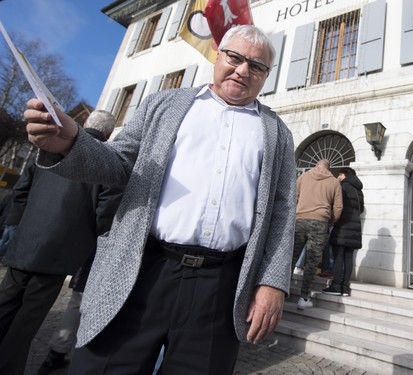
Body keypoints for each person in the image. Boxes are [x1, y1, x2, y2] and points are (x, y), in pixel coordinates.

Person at [23, 25, 296, 374]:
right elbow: (118, 162)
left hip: (221, 286)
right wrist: (70, 142)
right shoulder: (163, 104)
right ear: (218, 55)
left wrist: (272, 282)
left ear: (265, 76)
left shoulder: (276, 132)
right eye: (235, 58)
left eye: (256, 66)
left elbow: (282, 211)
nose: (243, 70)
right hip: (142, 270)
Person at [0, 110, 123, 374]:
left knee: (6, 301)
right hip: (63, 250)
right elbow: (106, 211)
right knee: (28, 317)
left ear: (84, 124)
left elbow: (21, 190)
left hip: (27, 241)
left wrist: (20, 226)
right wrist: (91, 238)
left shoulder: (53, 146)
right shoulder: (107, 159)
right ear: (110, 133)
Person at [292, 159, 342, 309]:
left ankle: (280, 293)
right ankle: (304, 298)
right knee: (312, 262)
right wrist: (331, 220)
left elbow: (294, 197)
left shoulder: (303, 177)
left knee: (291, 258)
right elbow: (338, 207)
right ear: (329, 168)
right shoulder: (334, 182)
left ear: (316, 165)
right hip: (320, 222)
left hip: (300, 219)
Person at [322, 167, 364, 297]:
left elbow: (337, 205)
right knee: (348, 257)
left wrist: (333, 220)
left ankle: (336, 286)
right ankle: (345, 288)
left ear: (344, 175)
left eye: (339, 174)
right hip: (355, 229)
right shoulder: (359, 191)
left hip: (342, 226)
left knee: (338, 255)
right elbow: (361, 209)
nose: (338, 177)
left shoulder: (342, 187)